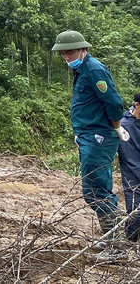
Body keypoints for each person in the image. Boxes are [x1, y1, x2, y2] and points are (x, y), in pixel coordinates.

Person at [52, 30, 127, 260]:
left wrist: (116, 127)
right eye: (63, 54)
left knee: (96, 190)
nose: (67, 57)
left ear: (83, 49)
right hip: (89, 135)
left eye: (71, 52)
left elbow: (114, 102)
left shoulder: (94, 69)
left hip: (99, 137)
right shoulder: (81, 69)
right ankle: (111, 235)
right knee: (95, 189)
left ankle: (117, 247)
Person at [117, 93, 140, 242]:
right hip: (132, 173)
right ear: (137, 105)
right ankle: (130, 241)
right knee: (135, 211)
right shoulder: (123, 125)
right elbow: (126, 155)